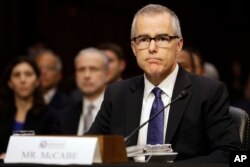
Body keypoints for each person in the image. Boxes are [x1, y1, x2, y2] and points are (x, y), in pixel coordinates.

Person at [88, 4, 241, 162]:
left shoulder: (208, 92)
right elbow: (88, 148)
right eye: (144, 39)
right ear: (134, 48)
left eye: (162, 38)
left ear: (178, 45)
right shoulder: (117, 93)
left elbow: (232, 155)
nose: (152, 48)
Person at [0, 56, 54, 157]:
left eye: (28, 74)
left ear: (37, 81)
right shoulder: (2, 113)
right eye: (17, 75)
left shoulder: (50, 116)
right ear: (10, 83)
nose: (23, 80)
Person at [53, 48, 108, 135]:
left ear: (106, 74)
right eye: (81, 69)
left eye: (93, 69)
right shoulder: (63, 115)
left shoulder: (119, 111)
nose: (86, 75)